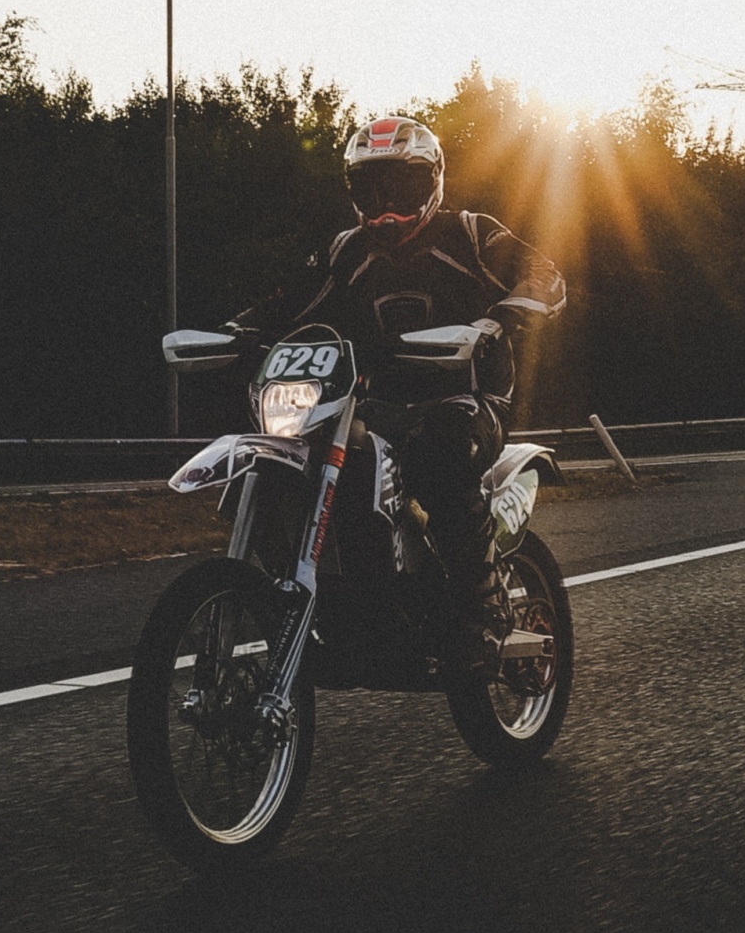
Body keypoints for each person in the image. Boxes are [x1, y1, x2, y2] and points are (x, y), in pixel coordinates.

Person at [232, 115, 566, 665]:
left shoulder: (471, 233)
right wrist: (240, 329)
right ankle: (349, 602)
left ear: (432, 181)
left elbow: (543, 273)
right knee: (313, 458)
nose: (386, 207)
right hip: (376, 405)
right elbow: (291, 298)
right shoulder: (347, 250)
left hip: (468, 398)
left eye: (402, 188)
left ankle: (480, 607)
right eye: (371, 189)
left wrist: (507, 312)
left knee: (440, 449)